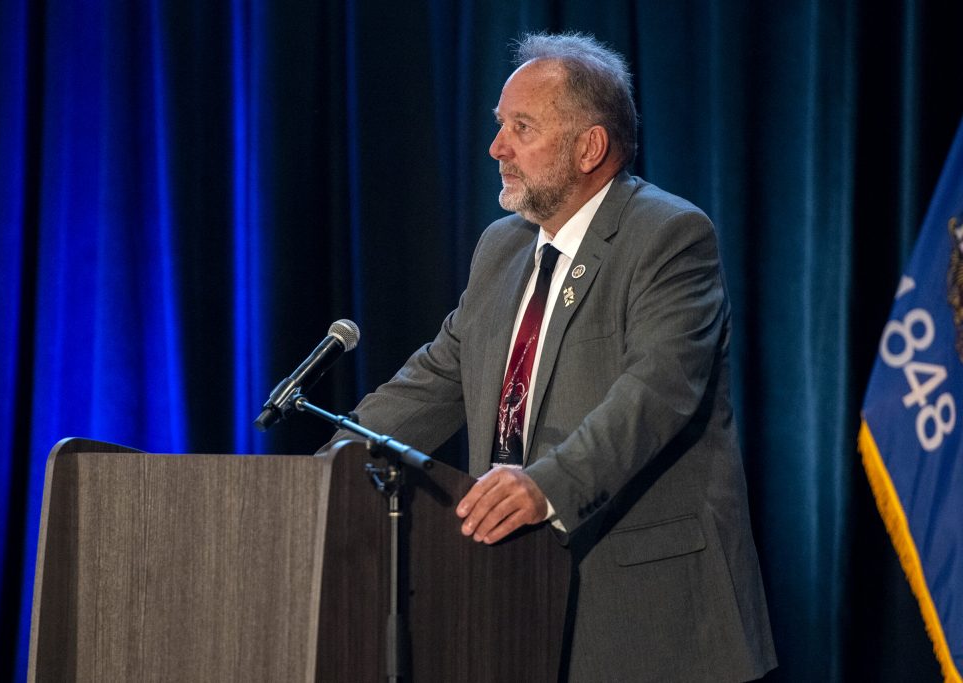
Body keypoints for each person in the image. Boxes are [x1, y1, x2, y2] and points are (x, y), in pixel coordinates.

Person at [329, 32, 777, 681]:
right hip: (516, 603)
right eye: (498, 125)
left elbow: (656, 392)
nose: (496, 147)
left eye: (521, 127)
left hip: (653, 624)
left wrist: (545, 485)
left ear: (589, 147)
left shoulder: (670, 236)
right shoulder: (502, 248)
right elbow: (435, 375)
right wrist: (327, 471)